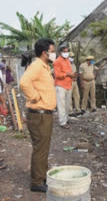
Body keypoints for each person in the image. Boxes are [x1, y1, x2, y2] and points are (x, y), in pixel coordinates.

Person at [20, 38, 57, 193]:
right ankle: (37, 182)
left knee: (43, 147)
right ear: (44, 53)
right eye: (53, 51)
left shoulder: (44, 67)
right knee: (40, 149)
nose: (54, 54)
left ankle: (41, 177)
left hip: (44, 114)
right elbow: (23, 83)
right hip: (39, 114)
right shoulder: (36, 66)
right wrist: (35, 97)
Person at [53, 46, 76, 128]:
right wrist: (67, 74)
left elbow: (70, 71)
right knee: (61, 104)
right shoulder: (57, 61)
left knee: (67, 104)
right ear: (60, 52)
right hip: (60, 85)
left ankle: (66, 119)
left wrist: (72, 76)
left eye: (67, 51)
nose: (66, 53)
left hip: (68, 84)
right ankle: (62, 122)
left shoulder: (67, 60)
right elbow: (57, 75)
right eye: (64, 51)